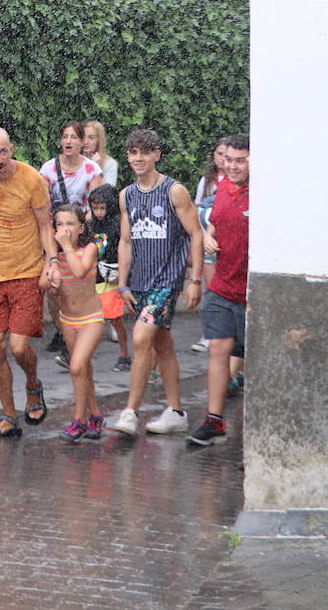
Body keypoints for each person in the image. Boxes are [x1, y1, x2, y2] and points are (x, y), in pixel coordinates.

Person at [0, 127, 59, 439]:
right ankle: (8, 414)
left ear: (12, 149)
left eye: (4, 151)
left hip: (27, 272)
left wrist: (51, 261)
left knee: (18, 347)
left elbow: (46, 224)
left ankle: (33, 384)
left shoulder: (32, 179)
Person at [108, 129, 205, 438]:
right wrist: (122, 285)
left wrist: (195, 280)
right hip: (139, 282)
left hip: (167, 280)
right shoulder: (126, 195)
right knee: (163, 345)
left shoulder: (174, 191)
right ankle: (176, 411)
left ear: (156, 155)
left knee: (140, 338)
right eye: (133, 153)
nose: (138, 158)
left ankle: (130, 412)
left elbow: (197, 233)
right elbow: (125, 241)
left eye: (145, 152)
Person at [189, 133, 249, 446]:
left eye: (241, 160)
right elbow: (215, 220)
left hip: (253, 295)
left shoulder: (262, 194)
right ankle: (214, 421)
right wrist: (210, 236)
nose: (234, 165)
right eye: (229, 159)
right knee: (218, 351)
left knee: (254, 358)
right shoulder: (222, 187)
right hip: (222, 288)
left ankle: (260, 427)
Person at [39, 121, 106, 360]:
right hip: (55, 231)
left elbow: (96, 203)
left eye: (73, 137)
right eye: (65, 136)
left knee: (78, 281)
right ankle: (62, 329)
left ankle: (82, 327)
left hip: (81, 232)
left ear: (81, 142)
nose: (68, 141)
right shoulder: (48, 169)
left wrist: (76, 231)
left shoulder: (91, 170)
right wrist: (55, 237)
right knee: (54, 285)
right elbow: (43, 207)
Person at [48, 205, 105, 442]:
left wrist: (67, 247)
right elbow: (43, 284)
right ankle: (96, 415)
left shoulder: (89, 248)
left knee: (76, 366)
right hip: (67, 320)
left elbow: (80, 271)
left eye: (70, 224)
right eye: (59, 224)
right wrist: (51, 279)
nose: (64, 229)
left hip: (91, 318)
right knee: (83, 370)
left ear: (82, 228)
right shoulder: (54, 255)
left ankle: (79, 419)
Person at [190, 141, 228, 354]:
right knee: (211, 289)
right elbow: (197, 209)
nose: (223, 158)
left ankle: (227, 334)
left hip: (229, 241)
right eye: (219, 154)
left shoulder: (240, 180)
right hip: (208, 242)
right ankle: (209, 334)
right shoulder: (206, 182)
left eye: (226, 154)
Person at [87, 184, 131, 370]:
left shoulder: (119, 224)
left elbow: (125, 249)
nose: (98, 212)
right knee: (91, 319)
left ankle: (124, 354)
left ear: (111, 206)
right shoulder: (91, 225)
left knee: (114, 318)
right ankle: (79, 354)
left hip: (113, 277)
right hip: (95, 277)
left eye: (102, 207)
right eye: (95, 207)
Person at [83, 120, 119, 186]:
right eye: (83, 137)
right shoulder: (76, 161)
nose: (85, 141)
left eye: (91, 138)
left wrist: (96, 169)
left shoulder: (110, 164)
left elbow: (107, 193)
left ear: (99, 140)